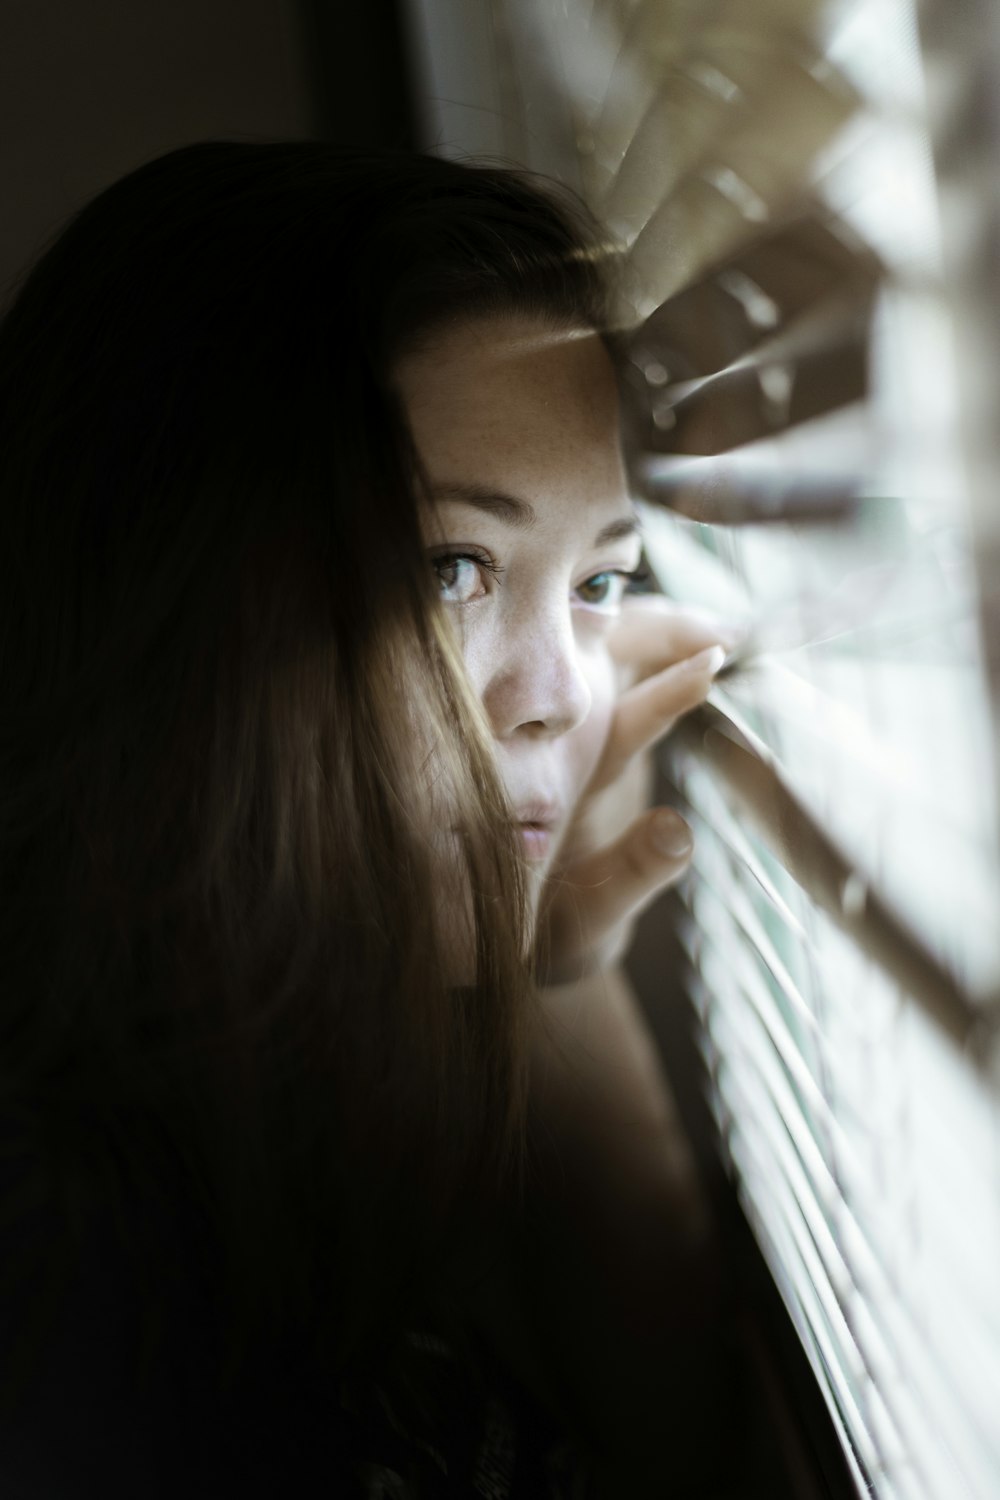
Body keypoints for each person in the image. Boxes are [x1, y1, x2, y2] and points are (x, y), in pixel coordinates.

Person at [0, 142, 733, 1496]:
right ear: (168, 586)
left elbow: (685, 1460)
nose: (558, 700)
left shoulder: (269, 1116)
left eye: (597, 583)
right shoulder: (66, 1306)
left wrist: (551, 968)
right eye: (452, 566)